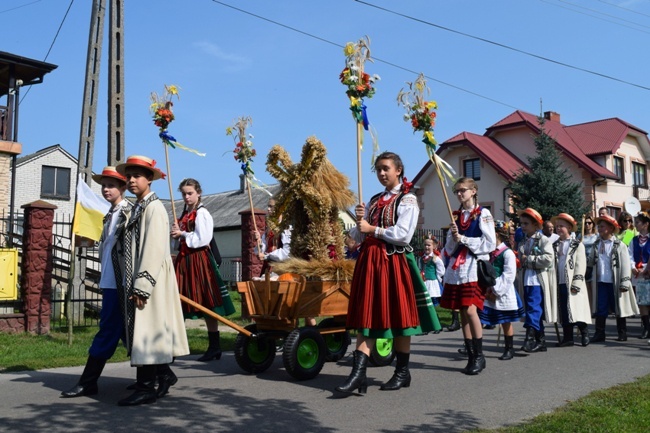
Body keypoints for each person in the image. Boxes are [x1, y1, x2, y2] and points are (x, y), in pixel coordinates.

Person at [335, 151, 440, 394]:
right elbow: (357, 238)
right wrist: (358, 225)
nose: (382, 173)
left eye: (386, 169)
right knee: (367, 315)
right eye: (378, 170)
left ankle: (401, 372)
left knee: (400, 317)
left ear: (398, 170)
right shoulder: (373, 200)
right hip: (370, 263)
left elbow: (403, 235)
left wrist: (372, 228)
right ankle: (359, 374)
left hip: (393, 262)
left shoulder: (407, 199)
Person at [115, 155, 189, 406]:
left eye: (137, 176)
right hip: (141, 276)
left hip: (151, 279)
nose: (132, 180)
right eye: (129, 176)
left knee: (147, 329)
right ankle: (162, 375)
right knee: (144, 329)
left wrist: (142, 285)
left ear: (149, 179)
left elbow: (154, 249)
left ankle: (147, 387)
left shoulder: (155, 208)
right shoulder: (140, 206)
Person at [61, 167, 132, 398]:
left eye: (111, 185)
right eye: (103, 185)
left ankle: (88, 381)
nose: (106, 189)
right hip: (110, 280)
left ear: (123, 187)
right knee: (124, 331)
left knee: (109, 329)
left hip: (122, 283)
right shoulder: (109, 214)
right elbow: (108, 246)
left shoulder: (128, 213)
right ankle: (161, 373)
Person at [171, 178, 235, 362]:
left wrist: (182, 234)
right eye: (183, 193)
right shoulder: (182, 215)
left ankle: (214, 347)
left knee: (207, 303)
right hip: (183, 262)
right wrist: (176, 234)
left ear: (198, 192)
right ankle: (175, 347)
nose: (186, 197)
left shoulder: (203, 213)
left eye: (190, 193)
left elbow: (203, 239)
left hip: (200, 261)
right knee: (178, 302)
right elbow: (177, 244)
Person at [440, 177, 496, 375]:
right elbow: (449, 248)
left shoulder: (483, 213)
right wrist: (454, 237)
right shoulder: (456, 216)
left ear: (473, 191)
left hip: (473, 267)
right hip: (458, 269)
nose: (459, 194)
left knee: (471, 310)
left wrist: (463, 238)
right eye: (457, 191)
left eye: (463, 190)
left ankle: (480, 355)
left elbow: (489, 243)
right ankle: (471, 355)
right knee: (463, 311)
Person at [587, 214, 639, 343]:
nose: (599, 228)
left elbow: (626, 264)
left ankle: (622, 332)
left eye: (602, 226)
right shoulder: (596, 244)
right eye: (598, 226)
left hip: (614, 281)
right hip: (601, 281)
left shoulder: (619, 245)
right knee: (601, 307)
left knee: (618, 307)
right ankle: (600, 333)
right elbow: (590, 262)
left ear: (610, 228)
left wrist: (625, 282)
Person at [477, 220, 524, 360]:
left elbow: (509, 275)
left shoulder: (507, 253)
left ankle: (509, 349)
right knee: (479, 317)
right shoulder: (488, 252)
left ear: (496, 234)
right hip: (488, 290)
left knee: (505, 321)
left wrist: (496, 291)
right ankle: (475, 346)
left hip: (502, 291)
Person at [517, 208, 555, 354]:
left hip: (537, 280)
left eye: (526, 223)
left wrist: (530, 260)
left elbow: (548, 259)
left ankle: (529, 338)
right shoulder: (523, 241)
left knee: (534, 308)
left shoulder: (543, 240)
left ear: (535, 225)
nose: (523, 226)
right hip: (526, 279)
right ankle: (541, 340)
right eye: (522, 223)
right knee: (532, 308)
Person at [551, 213, 591, 347]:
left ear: (569, 228)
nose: (558, 229)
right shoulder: (554, 245)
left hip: (572, 283)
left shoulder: (577, 245)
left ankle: (584, 332)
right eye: (557, 226)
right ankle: (568, 337)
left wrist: (577, 283)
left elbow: (580, 265)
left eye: (561, 226)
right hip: (560, 281)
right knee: (564, 310)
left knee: (576, 309)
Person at [629, 211, 650, 339]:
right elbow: (629, 254)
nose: (635, 225)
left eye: (637, 222)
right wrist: (632, 267)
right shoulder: (633, 239)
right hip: (638, 273)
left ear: (646, 224)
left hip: (648, 272)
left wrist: (647, 268)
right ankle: (646, 328)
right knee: (642, 301)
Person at [422, 237, 445, 306]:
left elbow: (441, 269)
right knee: (424, 299)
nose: (427, 247)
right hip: (423, 280)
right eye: (425, 245)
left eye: (429, 245)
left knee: (432, 298)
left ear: (433, 247)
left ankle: (433, 314)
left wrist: (437, 277)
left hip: (432, 281)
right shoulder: (422, 257)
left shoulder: (435, 258)